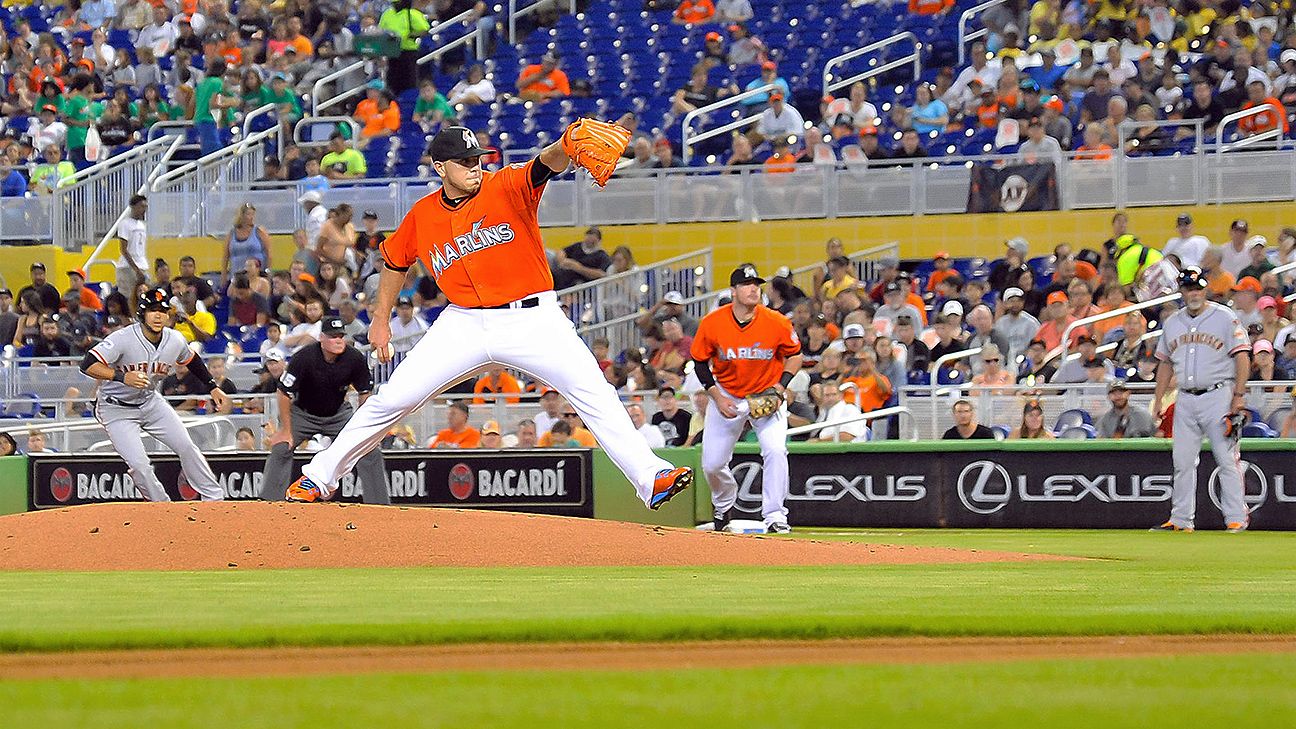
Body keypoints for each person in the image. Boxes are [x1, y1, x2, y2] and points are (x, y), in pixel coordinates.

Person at [284, 125, 692, 509]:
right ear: (441, 168)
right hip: (463, 322)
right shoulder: (424, 215)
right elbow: (393, 261)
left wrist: (567, 143)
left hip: (532, 317)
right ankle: (319, 477)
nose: (475, 167)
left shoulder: (506, 185)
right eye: (465, 162)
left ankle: (650, 476)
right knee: (393, 398)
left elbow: (546, 162)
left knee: (594, 392)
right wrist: (380, 319)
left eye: (477, 159)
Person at [77, 289, 228, 502]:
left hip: (150, 402)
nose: (158, 315)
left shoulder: (174, 339)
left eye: (162, 311)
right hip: (116, 408)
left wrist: (212, 386)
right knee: (139, 465)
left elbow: (191, 359)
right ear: (142, 314)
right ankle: (161, 507)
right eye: (152, 311)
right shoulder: (123, 338)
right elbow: (88, 364)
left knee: (186, 446)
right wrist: (121, 377)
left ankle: (215, 499)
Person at [691, 265, 801, 533]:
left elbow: (795, 354)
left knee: (775, 450)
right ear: (733, 290)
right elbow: (699, 361)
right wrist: (716, 397)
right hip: (727, 394)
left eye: (757, 284)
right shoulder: (713, 322)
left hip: (766, 394)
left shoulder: (776, 321)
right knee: (712, 463)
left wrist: (780, 387)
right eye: (746, 283)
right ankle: (724, 503)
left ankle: (775, 515)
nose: (754, 288)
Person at [1151, 267, 1250, 533]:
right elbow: (1164, 364)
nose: (1193, 293)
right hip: (1185, 396)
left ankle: (1236, 517)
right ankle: (1181, 520)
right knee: (1182, 461)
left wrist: (1238, 397)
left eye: (1197, 288)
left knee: (1226, 458)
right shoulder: (1173, 322)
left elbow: (1242, 357)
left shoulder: (1224, 317)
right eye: (1188, 288)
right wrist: (1159, 399)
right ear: (1181, 292)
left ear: (1205, 289)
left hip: (1219, 394)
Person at [261, 316, 389, 504]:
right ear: (321, 338)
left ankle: (380, 505)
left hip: (338, 414)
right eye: (332, 336)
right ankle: (269, 502)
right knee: (282, 446)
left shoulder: (354, 358)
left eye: (341, 336)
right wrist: (286, 430)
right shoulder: (304, 357)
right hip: (303, 414)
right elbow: (283, 392)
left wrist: (365, 430)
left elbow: (365, 393)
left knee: (369, 449)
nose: (338, 340)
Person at [380, 0, 431, 95]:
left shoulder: (411, 13)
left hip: (408, 52)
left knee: (409, 81)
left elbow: (425, 29)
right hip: (392, 52)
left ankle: (409, 100)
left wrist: (410, 35)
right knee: (392, 82)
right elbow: (381, 30)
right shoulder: (387, 14)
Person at [116, 195, 149, 294]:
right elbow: (123, 249)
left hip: (142, 265)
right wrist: (136, 269)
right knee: (129, 297)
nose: (143, 209)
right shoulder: (125, 224)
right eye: (141, 206)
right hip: (128, 267)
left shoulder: (142, 225)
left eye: (145, 207)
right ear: (133, 207)